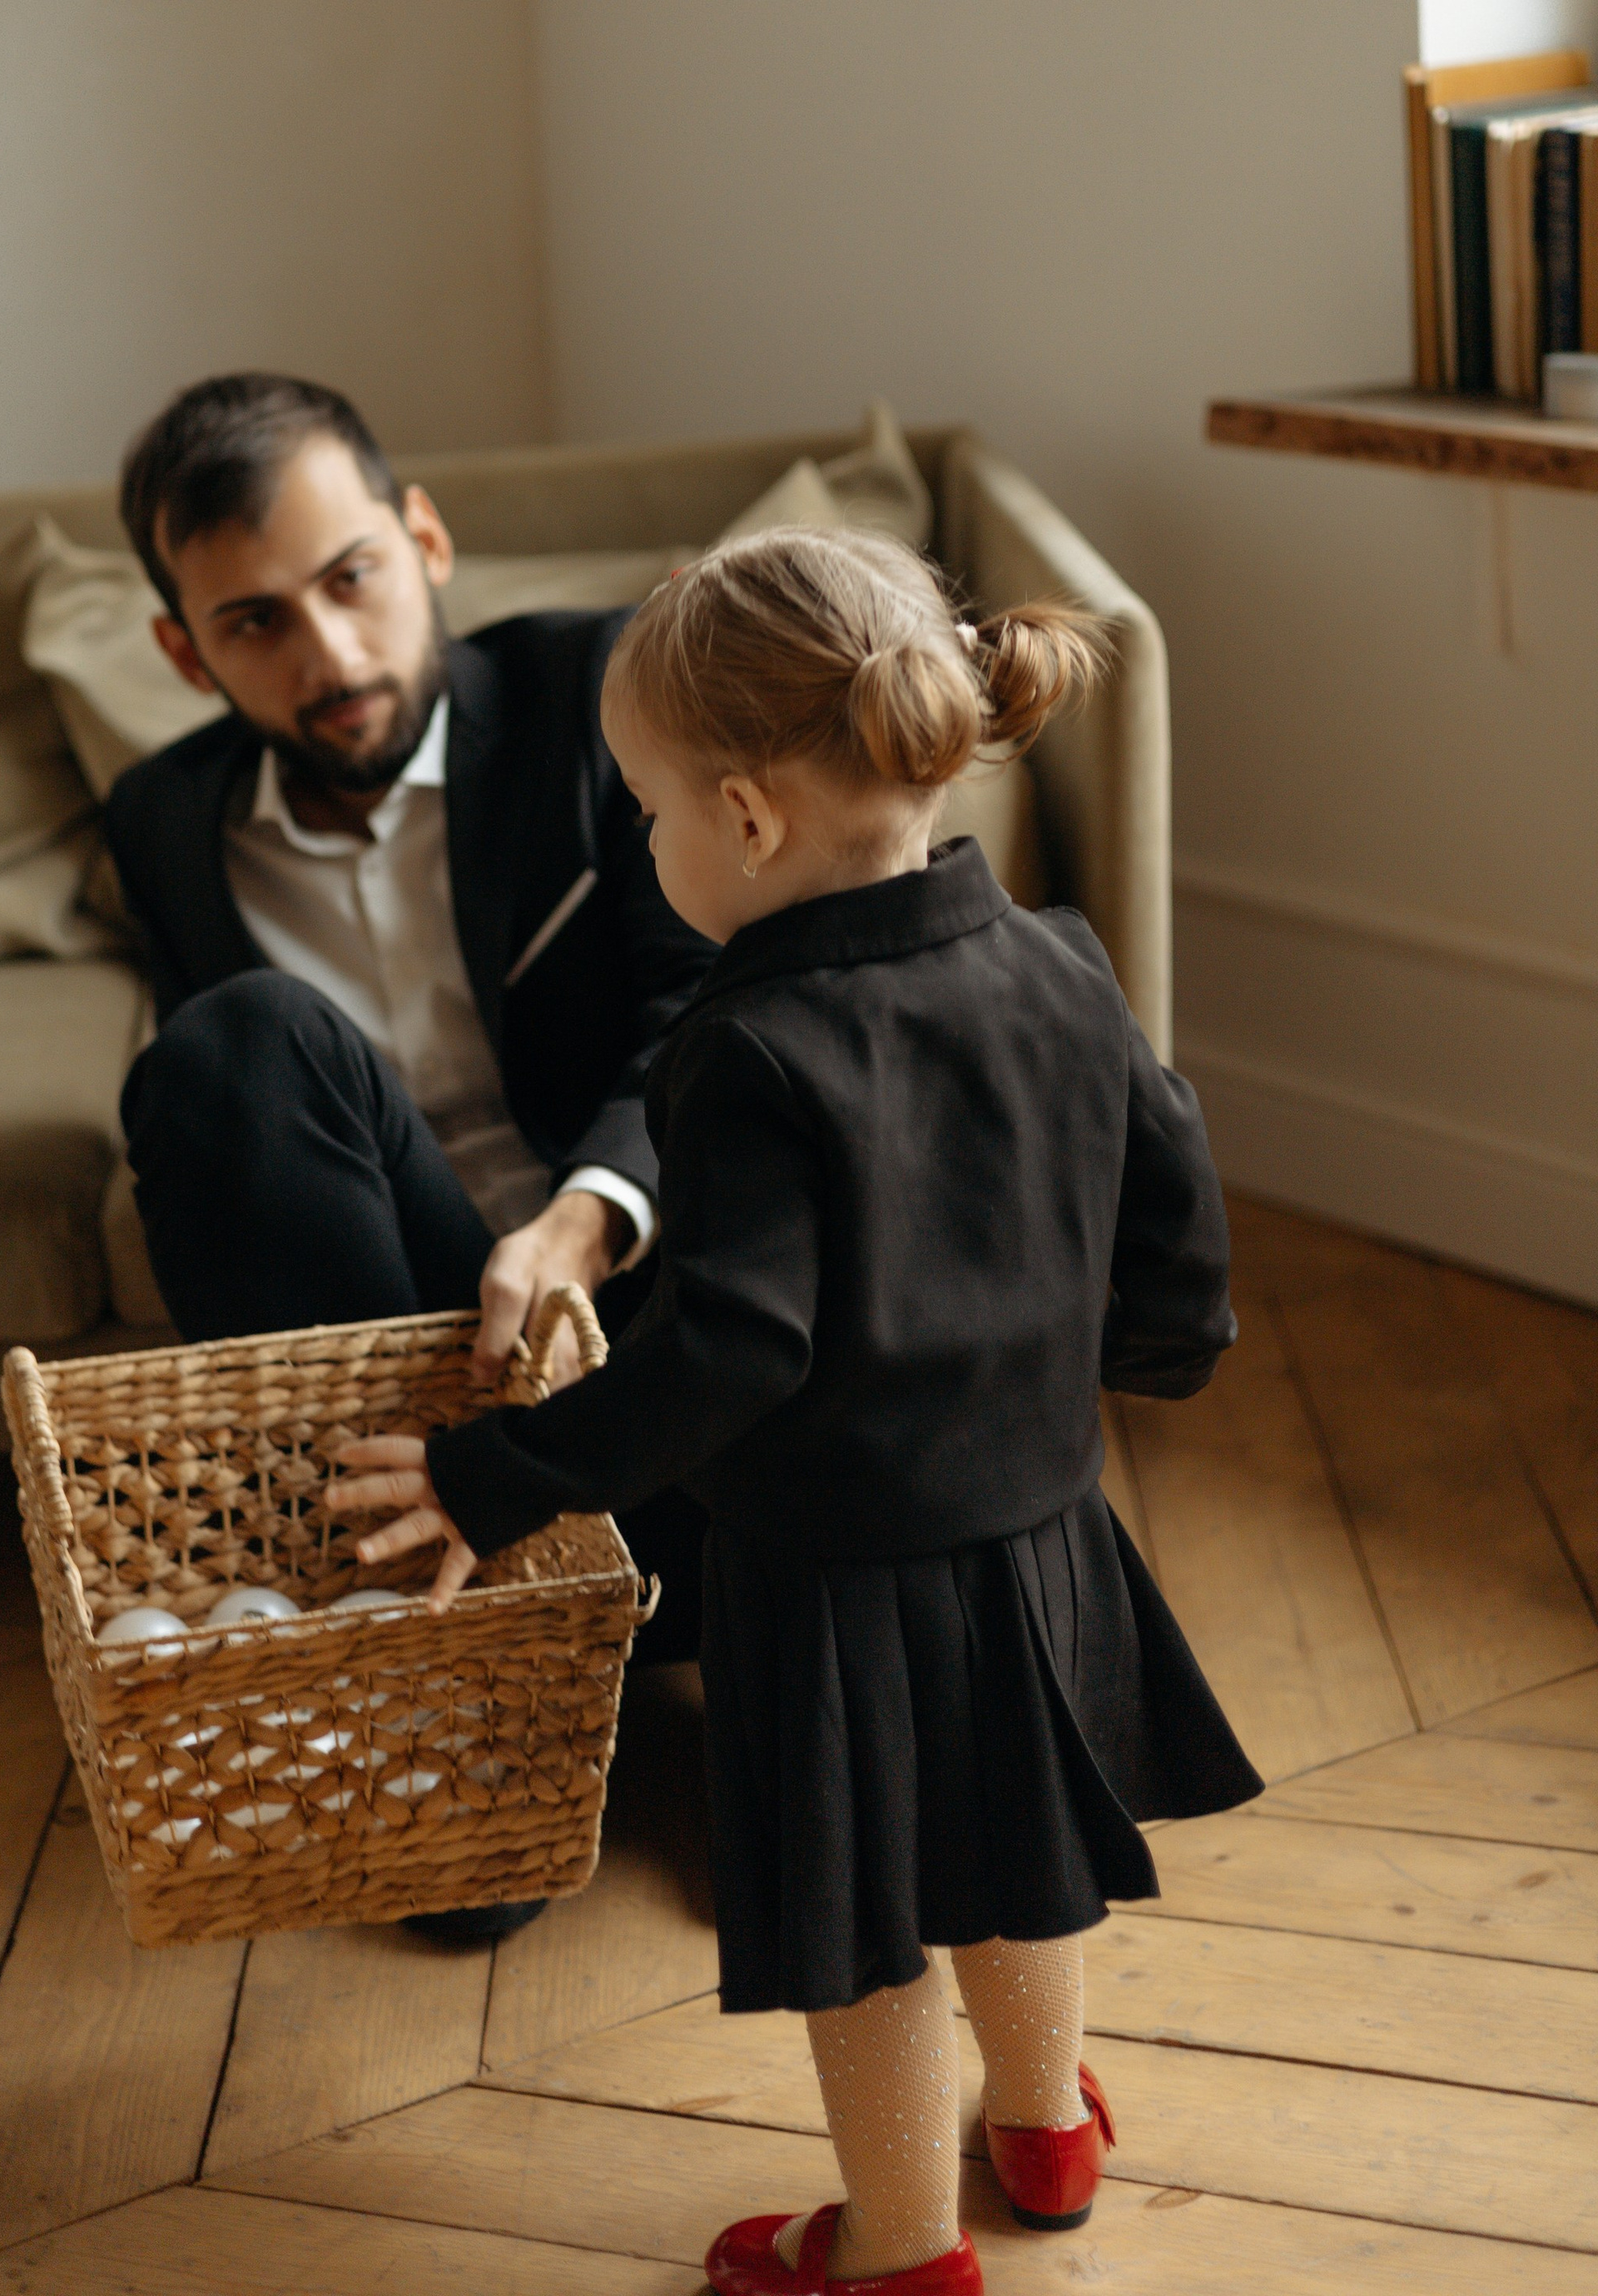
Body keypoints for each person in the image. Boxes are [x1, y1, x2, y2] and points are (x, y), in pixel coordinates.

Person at [329, 526, 1261, 2293]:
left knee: (868, 1931)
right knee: (1013, 1854)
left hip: (837, 1584)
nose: (642, 846)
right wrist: (1125, 1359)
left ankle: (898, 2247)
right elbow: (1173, 1203)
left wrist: (494, 1474)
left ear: (745, 821)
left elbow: (731, 1353)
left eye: (646, 812)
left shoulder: (747, 1048)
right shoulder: (1058, 956)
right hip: (1042, 1527)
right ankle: (1044, 2128)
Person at [102, 374, 712, 1689]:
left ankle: (546, 1629)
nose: (326, 656)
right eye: (254, 622)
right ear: (183, 652)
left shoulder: (599, 696)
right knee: (228, 1049)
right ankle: (425, 1654)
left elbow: (714, 1006)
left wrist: (591, 1213)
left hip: (632, 1319)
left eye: (352, 578)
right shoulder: (161, 821)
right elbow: (230, 1149)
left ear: (426, 543)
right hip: (380, 1333)